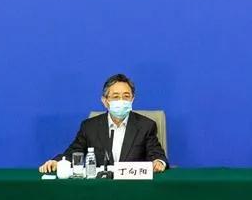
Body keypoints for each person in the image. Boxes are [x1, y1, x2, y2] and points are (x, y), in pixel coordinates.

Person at [39, 73, 168, 173]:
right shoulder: (89, 127)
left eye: (126, 96)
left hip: (134, 188)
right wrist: (57, 162)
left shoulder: (146, 126)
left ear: (132, 99)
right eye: (116, 97)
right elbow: (73, 152)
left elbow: (157, 154)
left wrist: (159, 162)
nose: (121, 101)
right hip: (100, 187)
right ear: (105, 101)